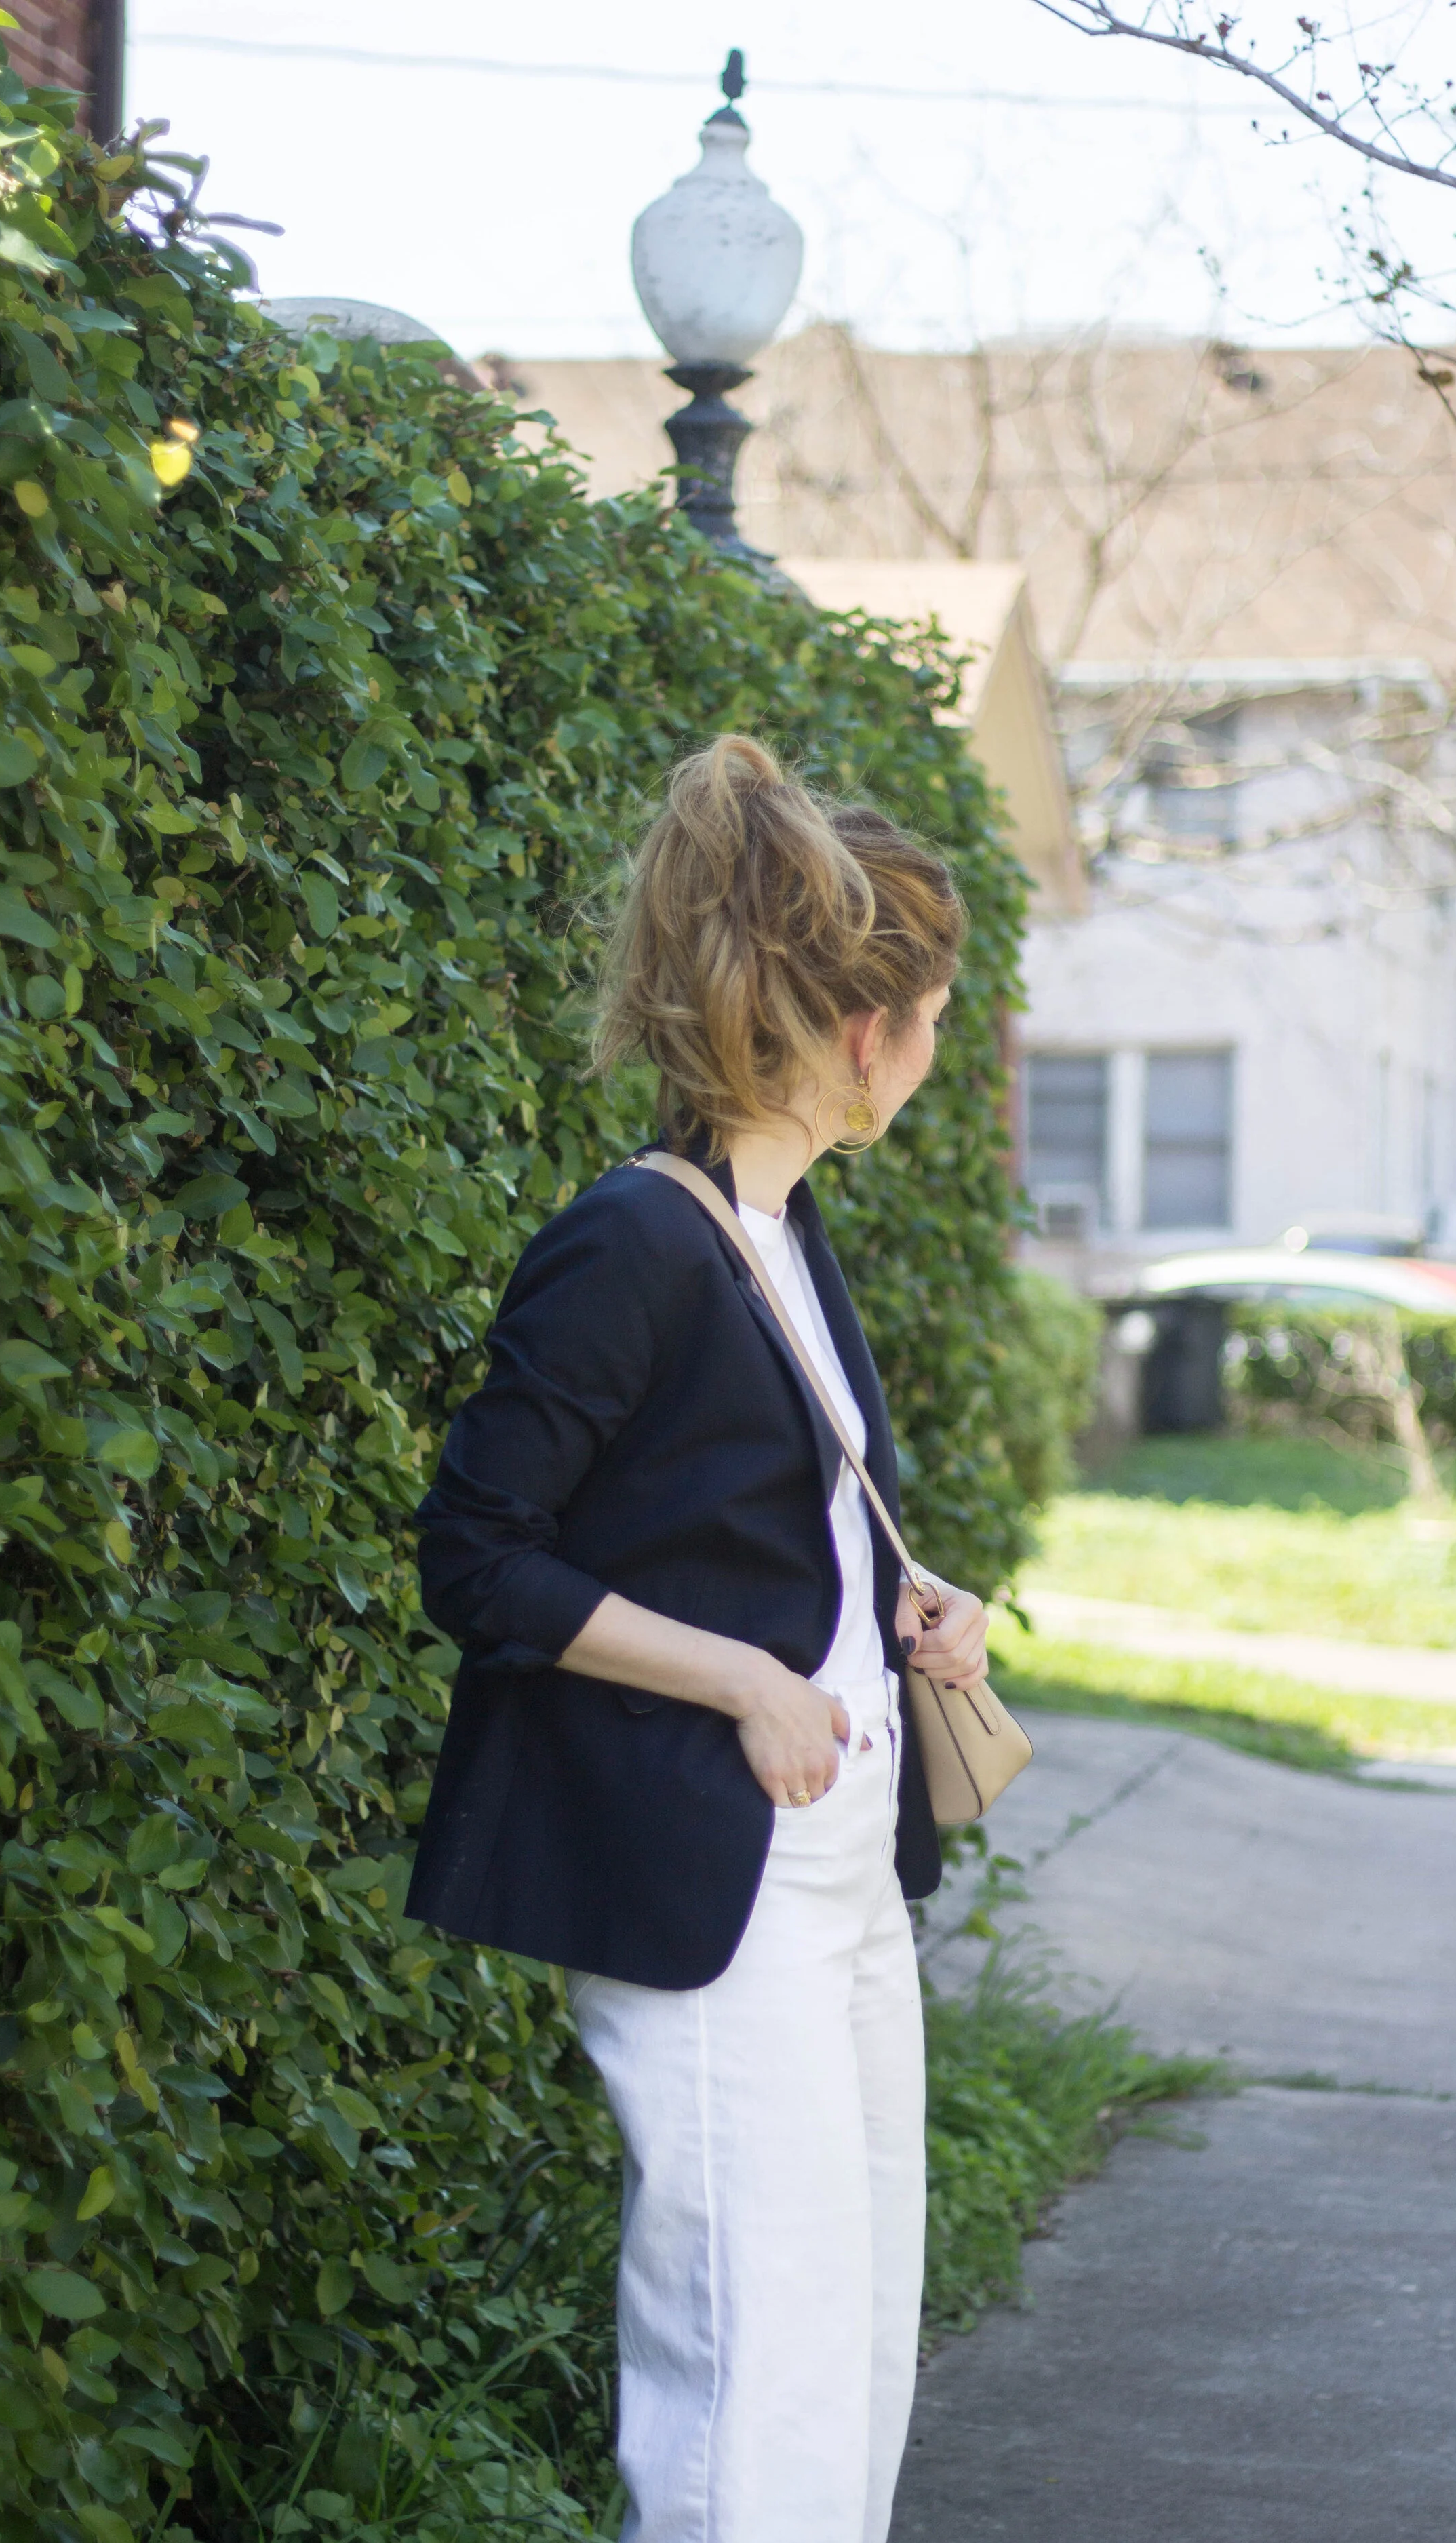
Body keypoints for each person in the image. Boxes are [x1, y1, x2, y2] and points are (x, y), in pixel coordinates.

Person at [406, 734, 991, 2543]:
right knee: (746, 2356)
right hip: (710, 1876)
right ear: (863, 1025)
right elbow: (474, 1555)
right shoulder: (631, 1241)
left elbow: (750, 1527)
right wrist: (739, 1676)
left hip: (836, 1872)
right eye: (936, 1013)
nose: (938, 1048)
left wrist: (892, 1606)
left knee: (853, 2332)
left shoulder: (783, 1233)